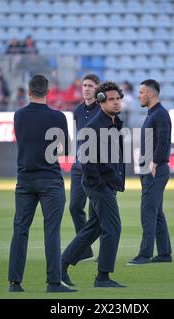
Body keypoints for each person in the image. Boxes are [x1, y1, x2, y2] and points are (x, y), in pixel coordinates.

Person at [8, 75, 75, 293]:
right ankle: (53, 282)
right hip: (50, 179)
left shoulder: (19, 116)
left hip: (25, 179)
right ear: (48, 92)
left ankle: (15, 283)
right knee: (51, 231)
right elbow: (65, 150)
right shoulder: (57, 117)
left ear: (29, 92)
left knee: (20, 229)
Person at [61, 81, 126, 288]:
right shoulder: (94, 126)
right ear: (100, 102)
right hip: (99, 186)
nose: (116, 102)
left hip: (107, 184)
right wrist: (100, 184)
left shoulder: (113, 122)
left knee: (93, 228)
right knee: (113, 228)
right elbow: (86, 160)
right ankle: (102, 277)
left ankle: (60, 266)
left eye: (118, 99)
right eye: (112, 99)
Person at [127, 79, 173, 265]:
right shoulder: (153, 113)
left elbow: (163, 140)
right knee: (157, 213)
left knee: (148, 211)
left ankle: (144, 254)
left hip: (155, 169)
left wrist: (155, 161)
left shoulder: (160, 114)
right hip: (149, 169)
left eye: (141, 92)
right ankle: (164, 253)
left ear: (151, 94)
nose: (139, 95)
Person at [69, 74, 101, 262]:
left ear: (97, 89)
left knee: (97, 211)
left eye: (90, 85)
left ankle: (104, 251)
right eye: (84, 85)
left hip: (96, 167)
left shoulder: (103, 110)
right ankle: (85, 250)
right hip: (79, 165)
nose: (86, 88)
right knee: (74, 207)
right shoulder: (78, 110)